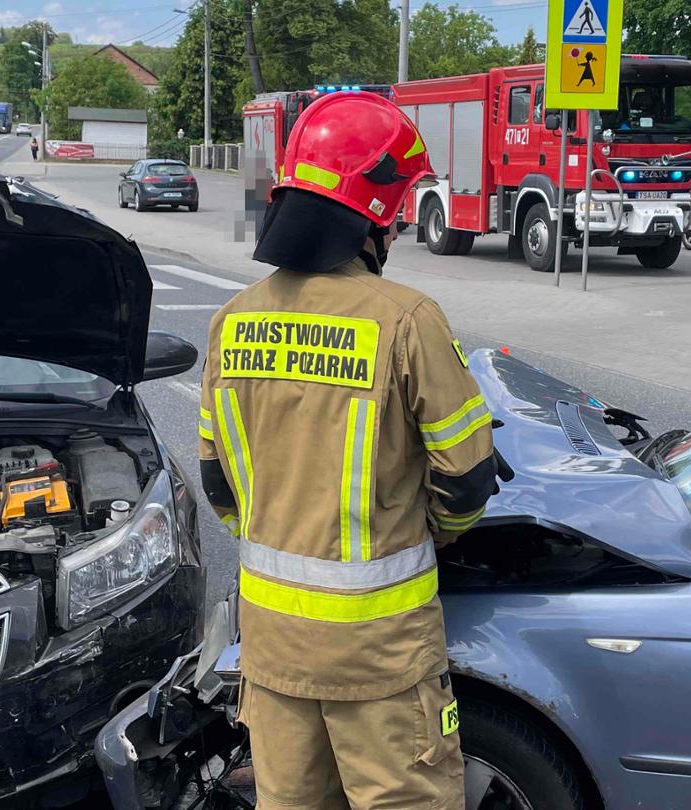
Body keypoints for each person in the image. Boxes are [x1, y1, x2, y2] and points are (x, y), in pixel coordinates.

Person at [197, 90, 501, 809]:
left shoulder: (232, 320)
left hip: (272, 648)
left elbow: (218, 483)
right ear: (377, 213)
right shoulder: (407, 320)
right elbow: (466, 482)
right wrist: (426, 537)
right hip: (381, 656)